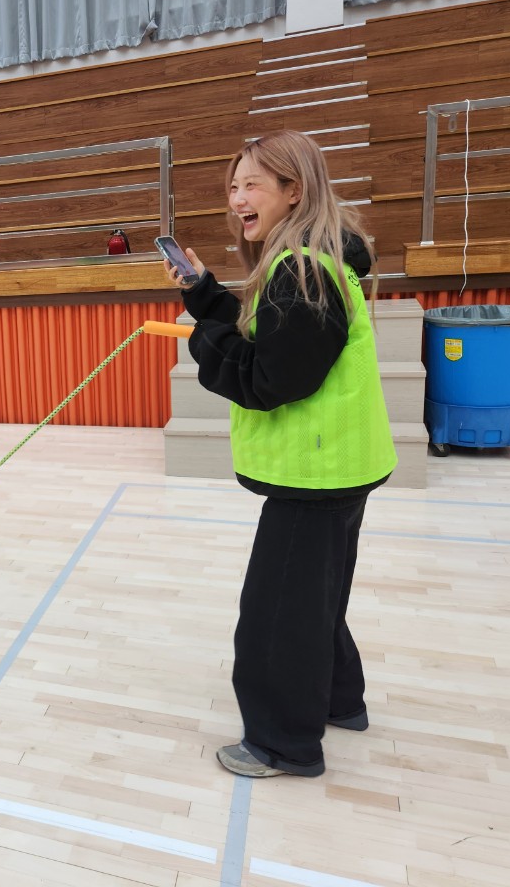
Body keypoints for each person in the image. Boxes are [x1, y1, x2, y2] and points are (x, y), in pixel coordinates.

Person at [165, 129, 396, 779]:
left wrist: (203, 340)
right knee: (313, 601)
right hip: (339, 466)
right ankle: (339, 702)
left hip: (315, 474)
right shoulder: (314, 262)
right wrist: (204, 293)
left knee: (277, 617)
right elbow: (270, 339)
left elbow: (270, 379)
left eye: (253, 185)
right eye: (233, 186)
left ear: (294, 191)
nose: (237, 198)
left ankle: (281, 744)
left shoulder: (300, 272)